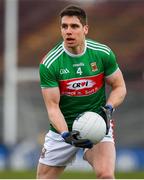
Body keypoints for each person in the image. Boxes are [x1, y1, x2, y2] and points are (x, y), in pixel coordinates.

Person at [37, 5, 127, 179]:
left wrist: (108, 108)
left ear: (85, 29)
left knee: (106, 175)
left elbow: (119, 87)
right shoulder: (50, 63)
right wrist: (65, 134)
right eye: (64, 26)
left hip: (97, 124)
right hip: (63, 129)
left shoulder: (102, 54)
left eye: (74, 26)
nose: (68, 31)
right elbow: (53, 108)